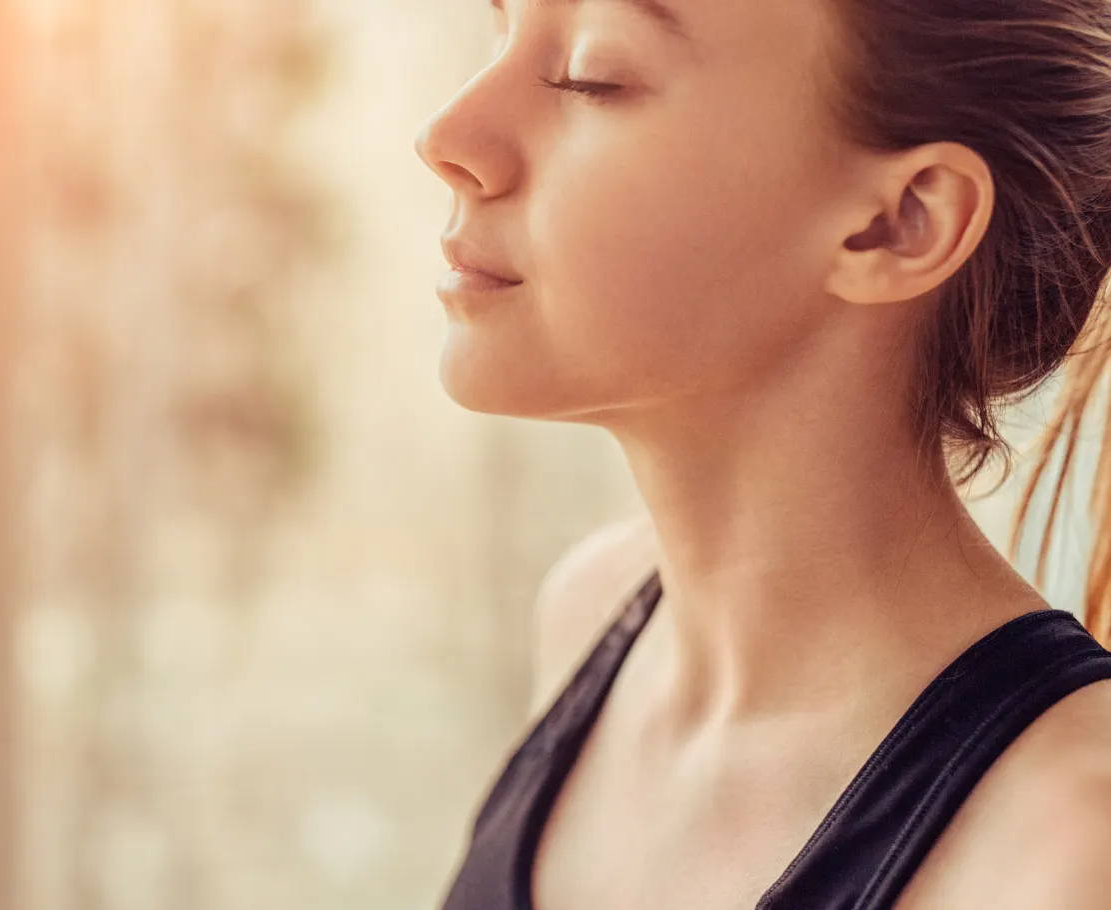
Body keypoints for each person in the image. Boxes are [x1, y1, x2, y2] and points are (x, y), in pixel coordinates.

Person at [413, 0, 1111, 907]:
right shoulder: (592, 616)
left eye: (594, 73)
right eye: (500, 27)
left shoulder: (1069, 845)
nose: (447, 135)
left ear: (899, 222)